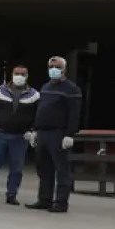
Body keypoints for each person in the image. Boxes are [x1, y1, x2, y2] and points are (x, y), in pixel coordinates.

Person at [26, 56, 82, 213]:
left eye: (56, 66)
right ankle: (44, 199)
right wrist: (35, 130)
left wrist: (70, 134)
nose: (53, 69)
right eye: (51, 66)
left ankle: (61, 202)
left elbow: (74, 114)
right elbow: (40, 110)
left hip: (59, 133)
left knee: (62, 169)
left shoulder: (72, 89)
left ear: (64, 69)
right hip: (43, 132)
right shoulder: (46, 87)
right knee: (44, 169)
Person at [0, 66, 38, 205]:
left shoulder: (34, 95)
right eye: (16, 73)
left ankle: (11, 195)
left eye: (22, 74)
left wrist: (32, 130)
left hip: (20, 137)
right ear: (12, 74)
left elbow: (38, 114)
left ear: (27, 76)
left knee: (16, 168)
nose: (19, 76)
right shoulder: (0, 91)